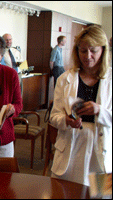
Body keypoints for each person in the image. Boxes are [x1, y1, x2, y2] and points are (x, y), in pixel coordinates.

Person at [50, 25, 112, 186]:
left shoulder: (110, 79)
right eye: (83, 50)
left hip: (101, 151)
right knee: (65, 193)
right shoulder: (64, 79)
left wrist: (100, 110)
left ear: (103, 50)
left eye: (93, 50)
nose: (88, 56)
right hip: (71, 147)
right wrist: (66, 120)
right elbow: (53, 117)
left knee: (100, 195)